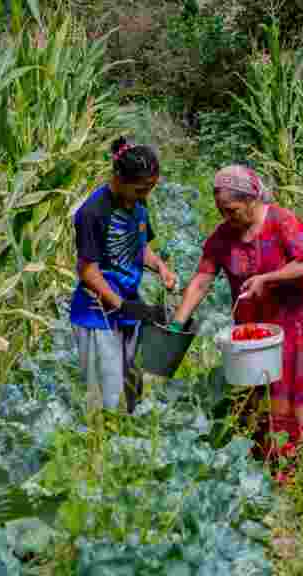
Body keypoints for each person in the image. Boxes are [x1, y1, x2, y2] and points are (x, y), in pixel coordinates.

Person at [168, 164, 303, 485]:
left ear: (252, 199)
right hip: (255, 326)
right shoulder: (223, 236)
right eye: (221, 210)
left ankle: (290, 466)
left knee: (289, 391)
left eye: (231, 209)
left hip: (295, 320)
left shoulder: (282, 222)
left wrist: (267, 279)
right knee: (254, 391)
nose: (227, 216)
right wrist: (177, 323)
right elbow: (202, 280)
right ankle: (260, 461)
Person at [70, 136, 178, 416]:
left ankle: (130, 443)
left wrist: (161, 268)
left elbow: (139, 246)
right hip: (97, 314)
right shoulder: (92, 213)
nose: (146, 195)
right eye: (141, 188)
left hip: (129, 306)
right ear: (119, 178)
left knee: (133, 388)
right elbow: (87, 270)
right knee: (105, 398)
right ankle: (100, 447)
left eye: (151, 188)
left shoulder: (138, 205)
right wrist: (119, 303)